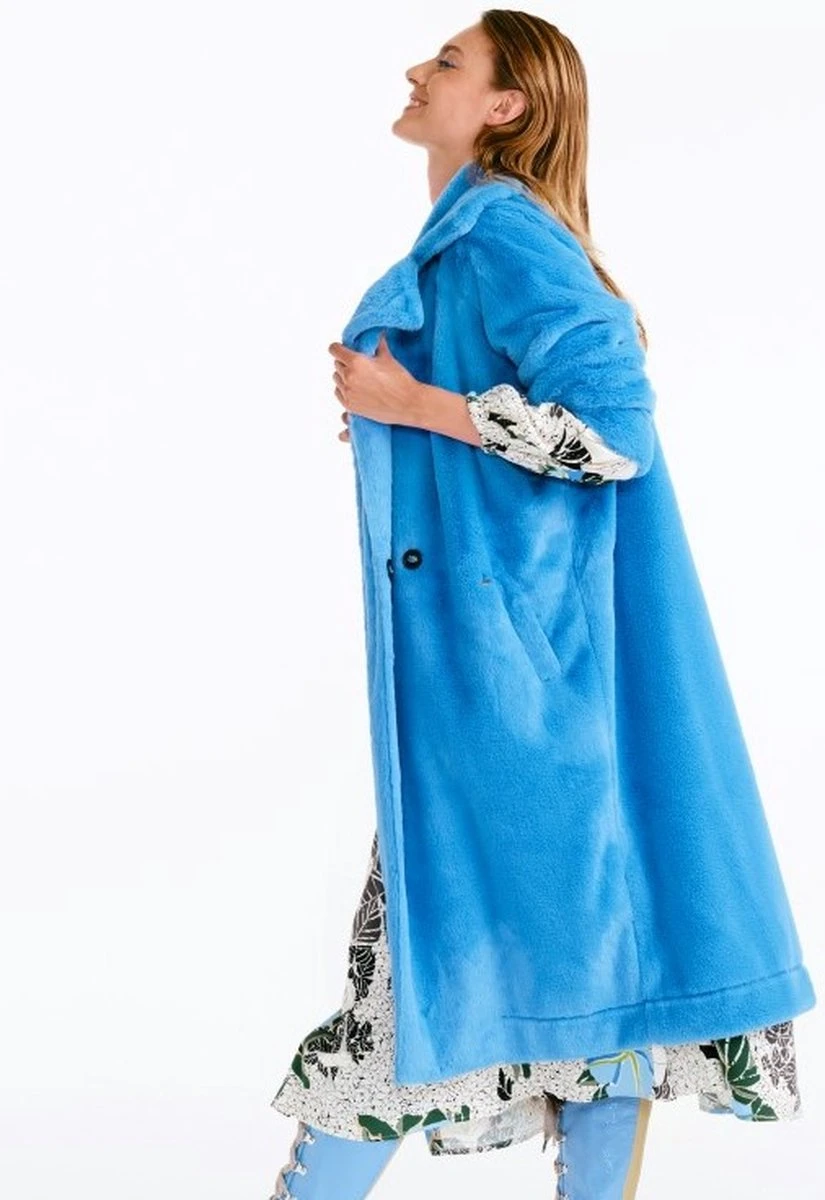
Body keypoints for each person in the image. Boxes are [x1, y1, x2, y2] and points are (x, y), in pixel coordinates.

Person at [267, 11, 815, 1199]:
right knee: (563, 974)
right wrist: (418, 429)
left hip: (520, 682)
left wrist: (417, 409)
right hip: (516, 673)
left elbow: (616, 429)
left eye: (449, 62)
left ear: (506, 106)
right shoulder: (473, 238)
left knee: (426, 983)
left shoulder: (505, 232)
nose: (418, 70)